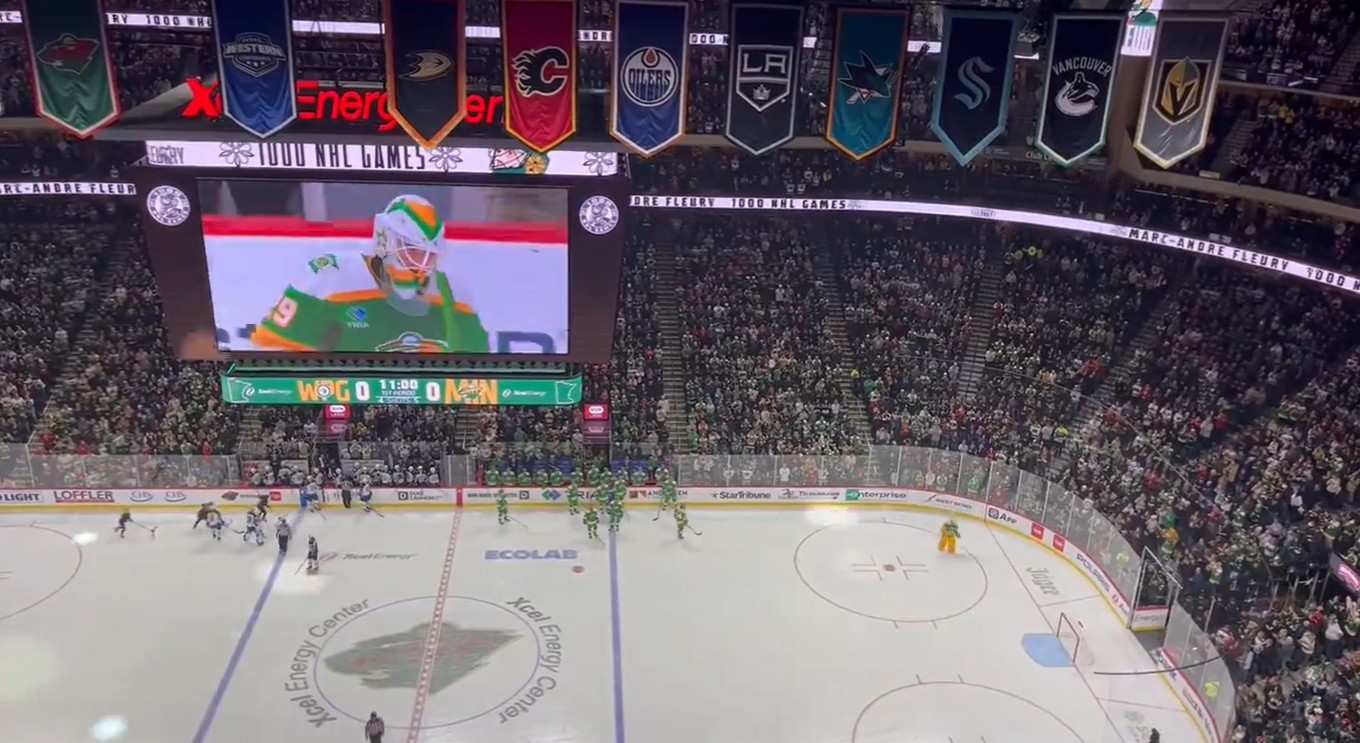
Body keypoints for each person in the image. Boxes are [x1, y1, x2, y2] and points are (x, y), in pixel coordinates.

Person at [248, 194, 490, 353]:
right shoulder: (332, 278)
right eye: (414, 249)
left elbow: (476, 373)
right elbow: (272, 348)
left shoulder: (457, 295)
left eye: (430, 252)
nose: (424, 260)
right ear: (386, 238)